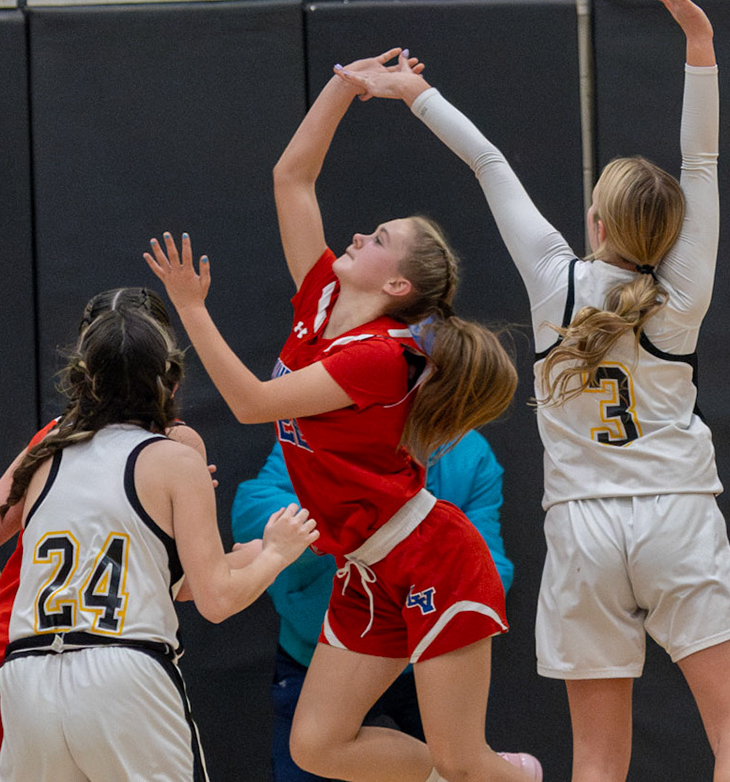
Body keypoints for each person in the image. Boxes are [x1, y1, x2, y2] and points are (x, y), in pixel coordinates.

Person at [337, 0, 730, 782]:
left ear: (596, 224)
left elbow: (488, 161)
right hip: (677, 516)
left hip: (579, 529)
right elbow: (700, 161)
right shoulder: (681, 296)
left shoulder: (554, 282)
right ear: (668, 235)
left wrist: (416, 93)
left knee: (597, 758)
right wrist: (700, 45)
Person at [145, 49, 539, 782]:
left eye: (379, 239)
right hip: (365, 566)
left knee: (462, 759)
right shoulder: (323, 294)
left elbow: (250, 404)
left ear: (396, 285)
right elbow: (291, 178)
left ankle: (515, 775)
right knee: (317, 746)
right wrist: (343, 86)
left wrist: (192, 309)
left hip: (430, 557)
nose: (359, 236)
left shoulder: (383, 357)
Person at [0, 286, 317, 782]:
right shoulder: (174, 458)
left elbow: (162, 581)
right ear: (171, 381)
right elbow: (215, 600)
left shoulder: (44, 456)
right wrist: (276, 554)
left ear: (83, 377)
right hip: (123, 674)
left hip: (26, 674)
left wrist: (240, 557)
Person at [0, 289, 216, 782]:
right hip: (108, 647)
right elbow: (194, 587)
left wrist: (36, 607)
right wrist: (263, 554)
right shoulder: (173, 444)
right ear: (166, 363)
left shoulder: (53, 439)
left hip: (18, 649)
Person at [232, 434, 513, 782]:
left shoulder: (469, 452)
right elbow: (255, 506)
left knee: (461, 763)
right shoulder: (320, 430)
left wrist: (432, 595)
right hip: (318, 650)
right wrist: (330, 535)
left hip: (424, 665)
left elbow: (489, 562)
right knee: (312, 751)